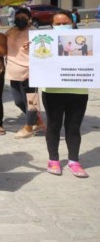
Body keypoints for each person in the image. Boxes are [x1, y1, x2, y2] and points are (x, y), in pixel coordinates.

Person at [43, 10, 89, 177]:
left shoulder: (87, 40)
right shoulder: (44, 42)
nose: (62, 26)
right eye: (58, 24)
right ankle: (53, 160)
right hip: (52, 91)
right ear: (52, 26)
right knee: (54, 125)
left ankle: (74, 161)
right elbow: (37, 63)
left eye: (65, 23)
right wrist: (30, 50)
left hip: (78, 90)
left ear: (73, 23)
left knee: (73, 127)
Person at [5, 8, 44, 139]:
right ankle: (37, 121)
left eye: (23, 17)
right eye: (18, 17)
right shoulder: (11, 31)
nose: (20, 20)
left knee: (31, 102)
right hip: (13, 72)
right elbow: (1, 45)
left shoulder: (34, 32)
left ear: (29, 19)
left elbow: (44, 51)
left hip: (29, 72)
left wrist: (34, 46)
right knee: (18, 101)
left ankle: (28, 128)